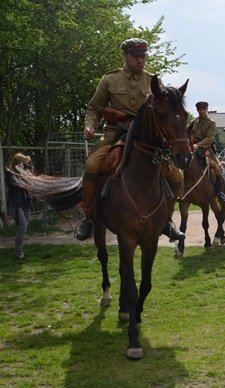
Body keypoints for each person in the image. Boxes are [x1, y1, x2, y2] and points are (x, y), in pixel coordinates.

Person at [76, 38, 184, 241]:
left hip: (145, 140)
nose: (141, 61)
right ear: (125, 56)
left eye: (143, 56)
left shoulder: (153, 82)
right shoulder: (109, 80)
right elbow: (94, 108)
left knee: (177, 176)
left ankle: (167, 220)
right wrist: (89, 126)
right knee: (91, 165)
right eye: (136, 57)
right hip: (115, 134)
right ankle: (88, 217)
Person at [187, 101, 225, 202]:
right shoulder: (194, 121)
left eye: (204, 109)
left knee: (217, 167)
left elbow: (210, 139)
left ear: (207, 110)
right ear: (197, 110)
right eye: (200, 109)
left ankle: (220, 192)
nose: (202, 111)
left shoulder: (211, 123)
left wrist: (198, 145)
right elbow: (187, 131)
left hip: (207, 148)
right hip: (192, 147)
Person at [4, 153, 33, 260]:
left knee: (23, 228)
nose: (24, 165)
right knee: (22, 226)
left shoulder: (25, 172)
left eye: (25, 163)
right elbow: (17, 184)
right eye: (22, 162)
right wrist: (24, 174)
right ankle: (18, 253)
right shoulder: (9, 173)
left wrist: (29, 172)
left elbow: (30, 184)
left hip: (25, 202)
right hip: (16, 203)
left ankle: (20, 251)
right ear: (17, 162)